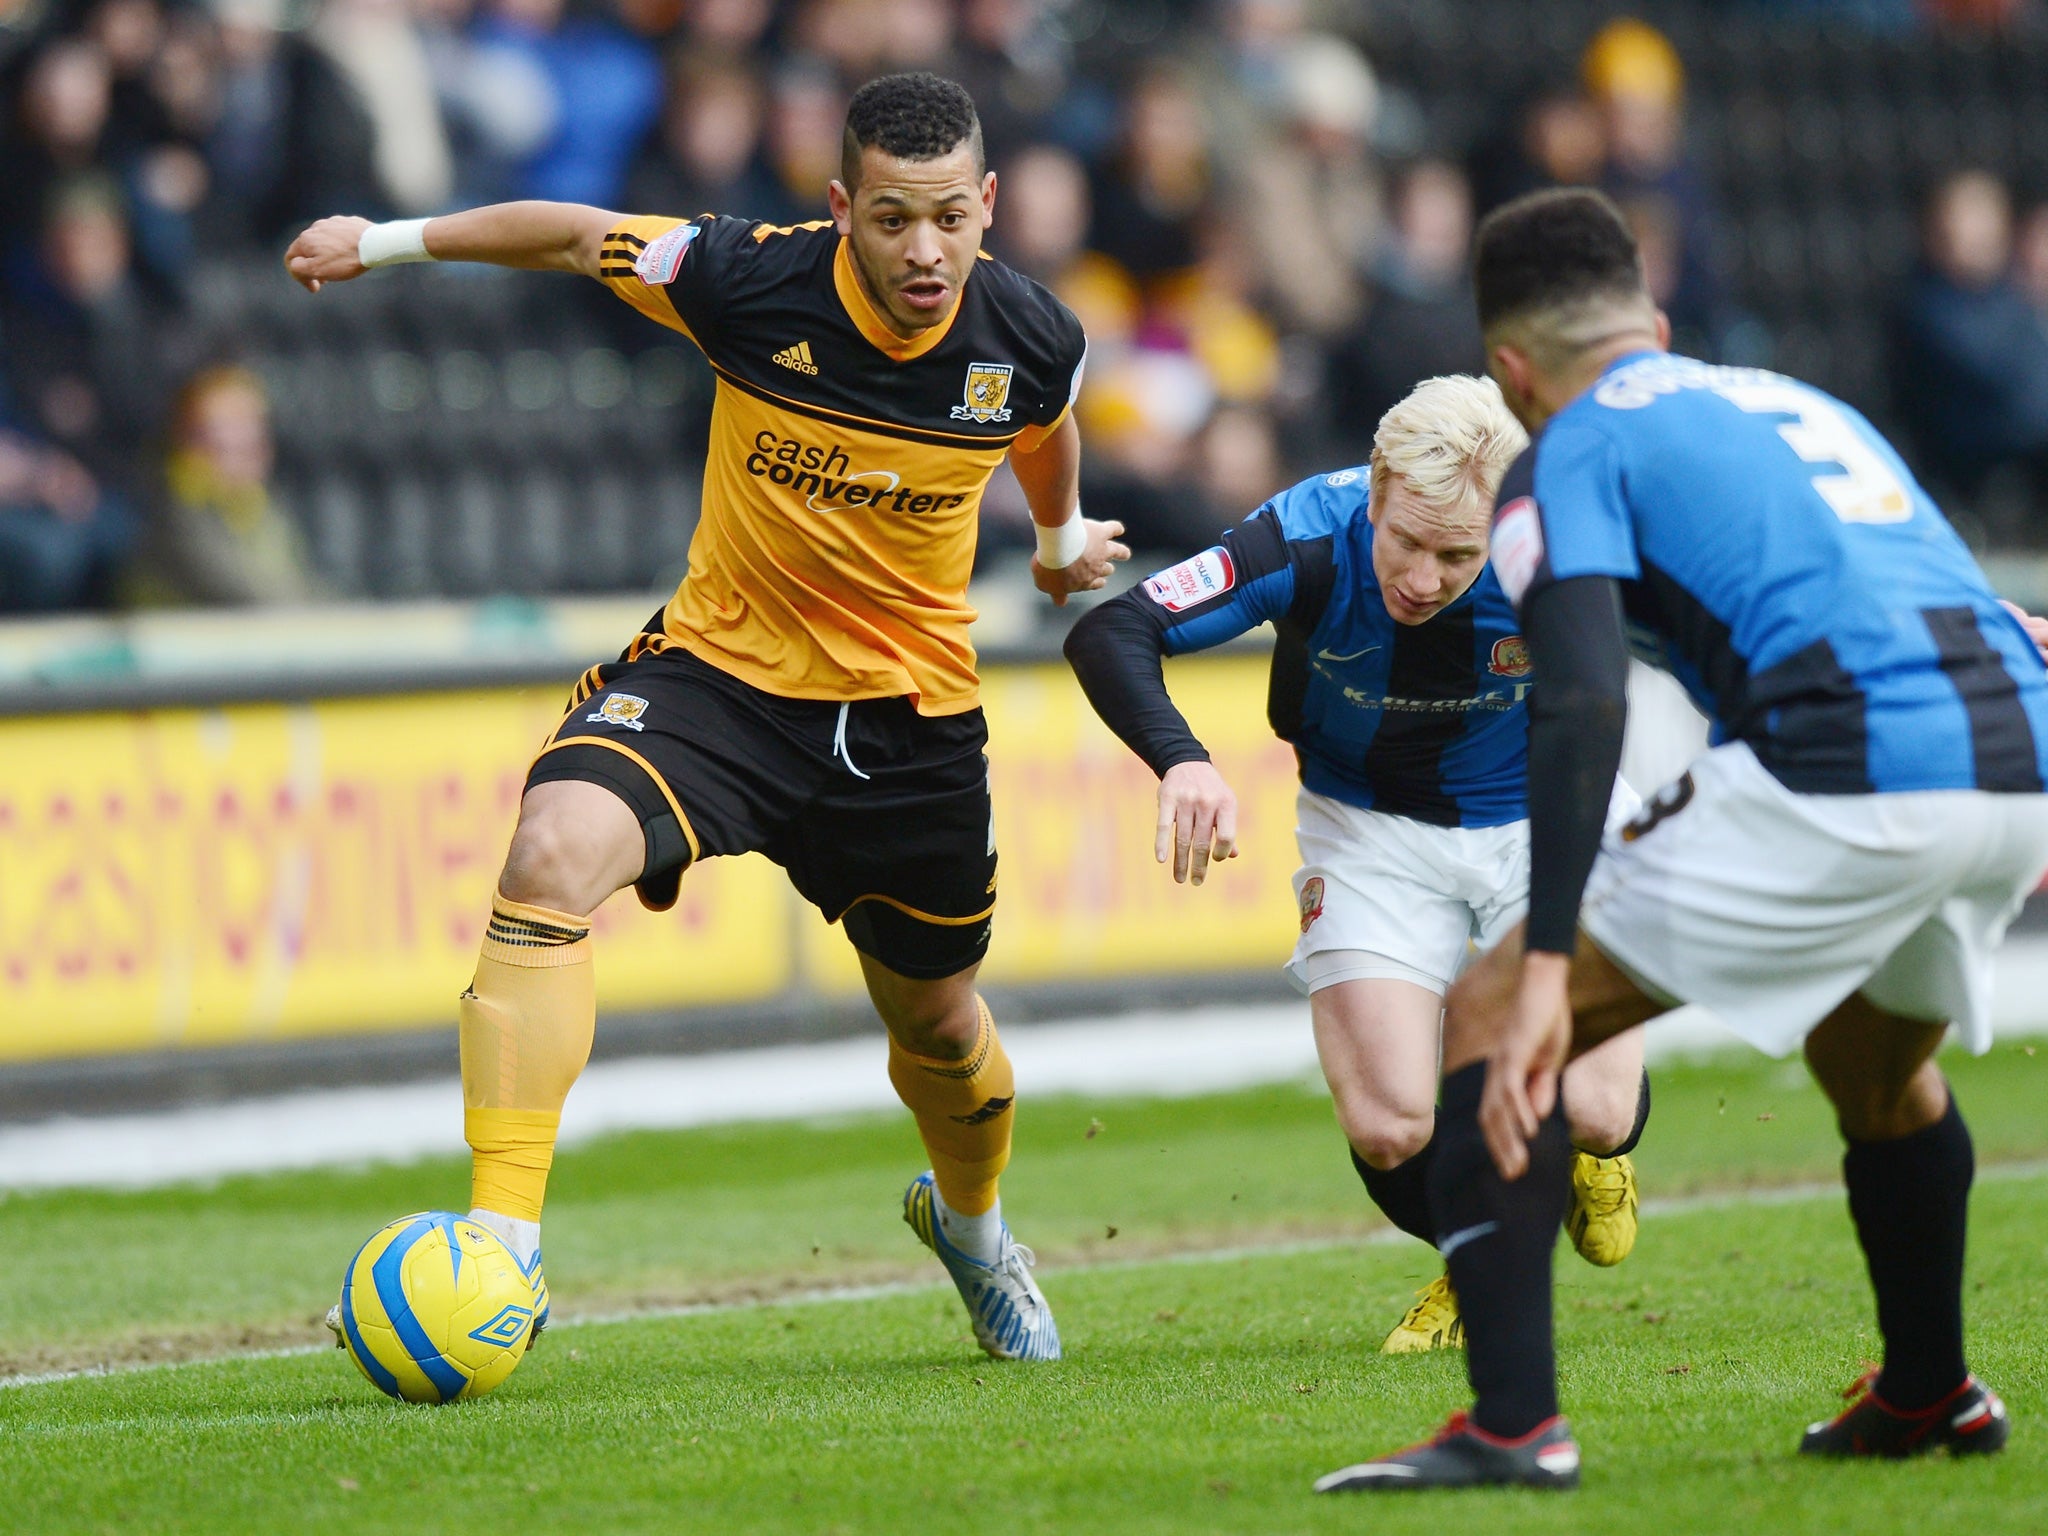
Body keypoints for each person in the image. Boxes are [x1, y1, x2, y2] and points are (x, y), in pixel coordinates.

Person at [283, 72, 1124, 1363]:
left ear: (990, 206)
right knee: (552, 851)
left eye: (951, 219)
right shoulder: (742, 280)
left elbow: (1047, 424)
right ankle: (502, 1251)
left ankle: (973, 1235)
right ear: (841, 208)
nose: (925, 252)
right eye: (893, 219)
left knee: (942, 1030)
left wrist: (1061, 542)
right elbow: (573, 236)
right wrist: (386, 242)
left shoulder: (1030, 338)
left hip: (907, 721)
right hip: (720, 682)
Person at [1315, 188, 2038, 1493]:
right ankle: (1930, 1390)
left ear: (1512, 370)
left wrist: (1543, 957)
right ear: (1650, 321)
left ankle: (1512, 1427)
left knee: (1488, 1022)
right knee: (1875, 1067)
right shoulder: (1797, 400)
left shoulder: (1566, 449)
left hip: (1849, 758)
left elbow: (1581, 691)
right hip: (2008, 746)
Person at [1063, 373, 1650, 1354]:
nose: (1421, 577)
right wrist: (1183, 762)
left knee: (1594, 1110)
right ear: (1373, 491)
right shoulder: (1299, 534)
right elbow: (1112, 630)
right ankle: (1486, 1256)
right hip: (1366, 824)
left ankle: (1592, 1160)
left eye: (1455, 555)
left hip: (1545, 810)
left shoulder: (1559, 551)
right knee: (1388, 1127)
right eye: (1405, 542)